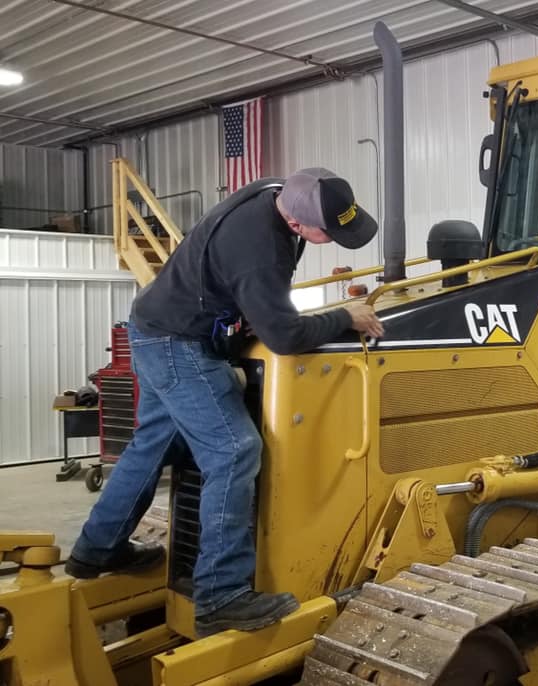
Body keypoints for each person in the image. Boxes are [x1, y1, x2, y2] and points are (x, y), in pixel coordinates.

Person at [66, 168, 384, 637]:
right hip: (178, 343)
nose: (334, 238)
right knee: (234, 451)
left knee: (152, 444)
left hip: (155, 327)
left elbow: (245, 291)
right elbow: (284, 337)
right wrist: (345, 317)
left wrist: (245, 312)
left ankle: (97, 549)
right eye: (328, 232)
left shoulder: (275, 195)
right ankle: (222, 594)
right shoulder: (259, 249)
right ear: (297, 225)